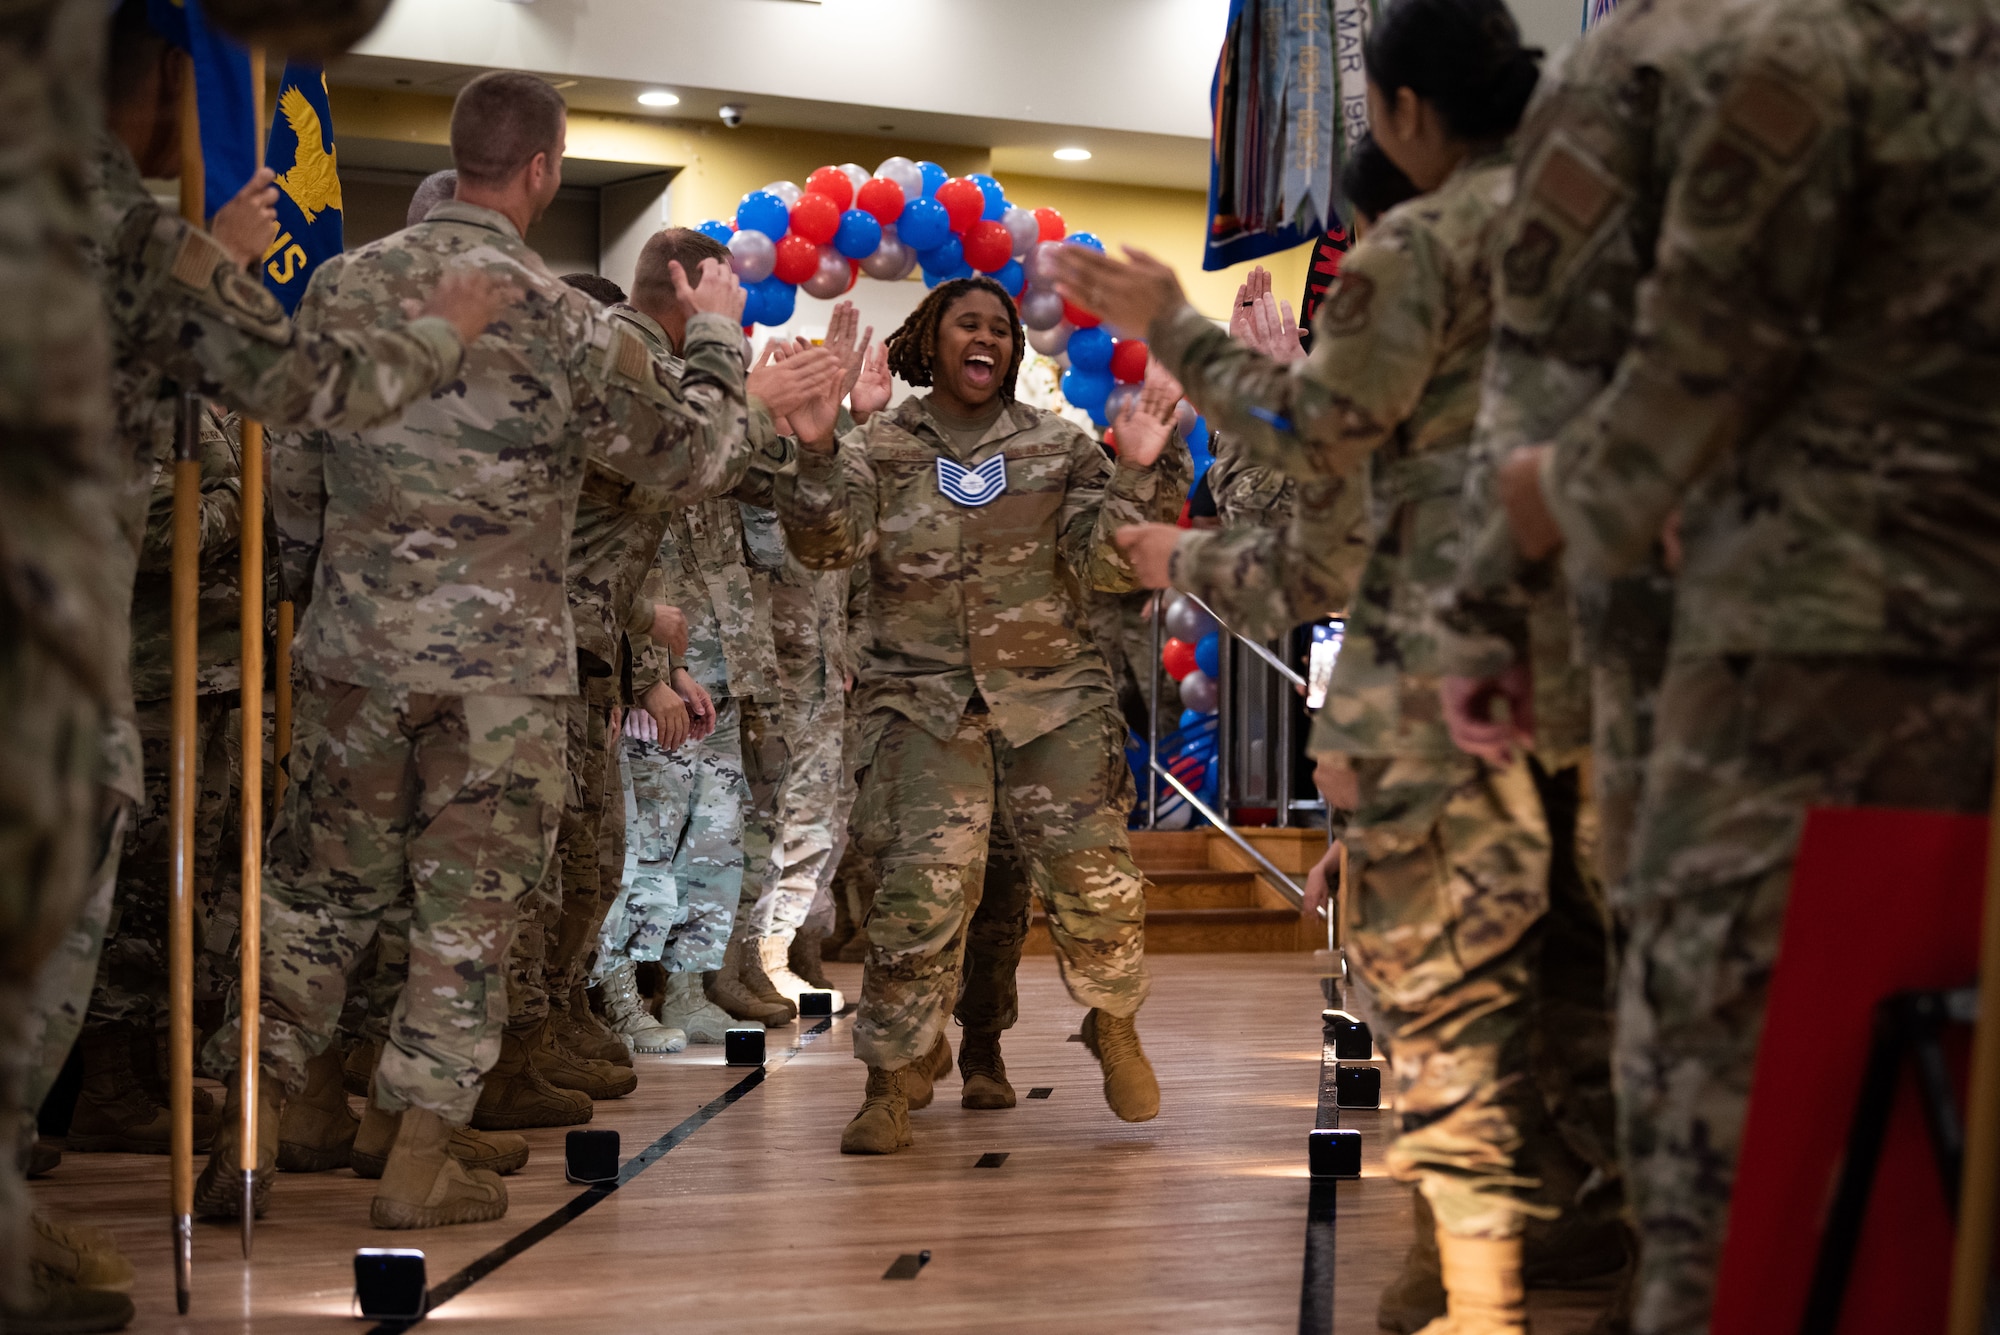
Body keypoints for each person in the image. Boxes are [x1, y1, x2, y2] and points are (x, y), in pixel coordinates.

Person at [1053, 4, 1634, 1330]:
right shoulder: (1610, 238)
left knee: (1455, 988)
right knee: (1597, 972)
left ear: (1407, 111)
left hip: (1457, 674)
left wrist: (1175, 332)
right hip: (1613, 672)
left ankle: (1465, 1278)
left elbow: (1322, 442)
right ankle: (1610, 1235)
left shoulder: (1424, 245)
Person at [1490, 0, 2000, 1323]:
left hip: (1802, 664)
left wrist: (1542, 497)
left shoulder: (1794, 50)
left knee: (1744, 1111)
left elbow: (1699, 360)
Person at [198, 70, 753, 1232]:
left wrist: (330, 597)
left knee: (312, 898)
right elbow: (689, 459)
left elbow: (289, 479)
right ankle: (417, 1159)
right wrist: (713, 343)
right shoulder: (561, 318)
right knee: (468, 915)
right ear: (542, 169)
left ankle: (239, 1125)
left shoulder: (342, 287)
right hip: (501, 679)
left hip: (354, 656)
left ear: (458, 158)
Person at [776, 273, 1189, 1155]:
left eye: (1001, 329)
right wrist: (818, 450)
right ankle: (889, 1078)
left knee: (1095, 877)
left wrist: (1145, 466)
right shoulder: (879, 447)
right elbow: (827, 544)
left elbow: (1109, 568)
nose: (988, 339)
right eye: (969, 324)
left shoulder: (1062, 448)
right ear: (933, 339)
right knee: (918, 891)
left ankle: (1111, 1022)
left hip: (1055, 699)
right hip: (921, 704)